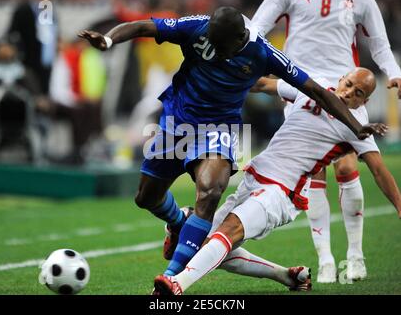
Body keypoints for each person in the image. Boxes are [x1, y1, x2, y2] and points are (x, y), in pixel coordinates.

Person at [78, 6, 381, 279]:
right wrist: (108, 40)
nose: (216, 50)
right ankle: (176, 220)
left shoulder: (264, 53)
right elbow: (146, 26)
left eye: (222, 47)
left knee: (210, 191)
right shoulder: (198, 26)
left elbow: (316, 90)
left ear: (240, 39)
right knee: (146, 198)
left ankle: (172, 276)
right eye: (213, 44)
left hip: (218, 127)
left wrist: (357, 126)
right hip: (177, 120)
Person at [152, 68, 399, 295]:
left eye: (358, 94)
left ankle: (177, 284)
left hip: (281, 192)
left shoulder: (357, 123)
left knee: (229, 230)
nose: (348, 94)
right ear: (341, 78)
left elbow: (378, 170)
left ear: (364, 101)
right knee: (202, 245)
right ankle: (288, 276)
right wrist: (221, 76)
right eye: (348, 84)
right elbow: (261, 85)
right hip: (253, 178)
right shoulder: (315, 88)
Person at [251, 0, 401, 282]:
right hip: (302, 84)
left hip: (348, 87)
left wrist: (394, 73)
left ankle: (355, 256)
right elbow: (257, 27)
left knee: (346, 167)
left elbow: (379, 42)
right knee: (314, 172)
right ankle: (326, 259)